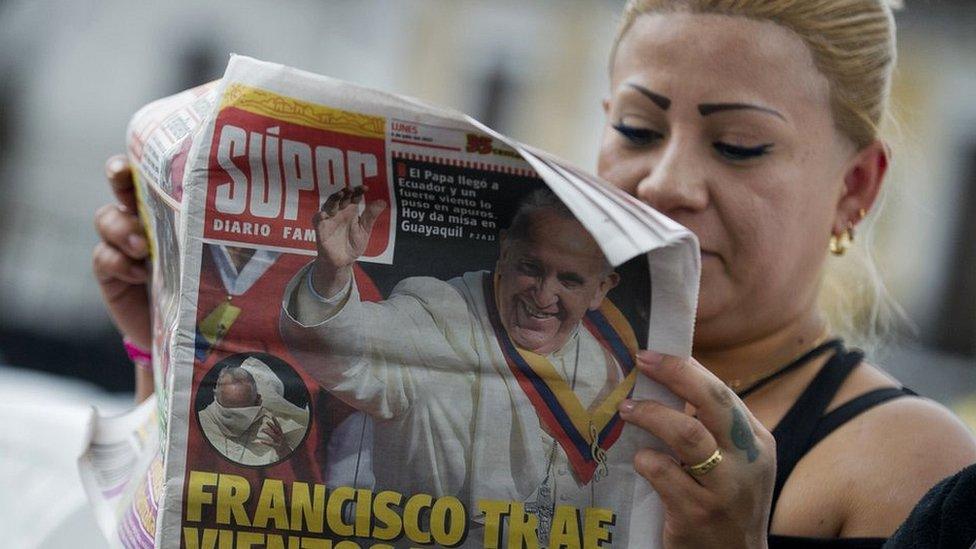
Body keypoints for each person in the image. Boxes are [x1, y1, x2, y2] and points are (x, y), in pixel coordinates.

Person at [93, 0, 976, 546]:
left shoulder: (899, 461)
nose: (666, 180)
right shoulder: (468, 320)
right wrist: (161, 338)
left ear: (854, 189)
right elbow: (341, 359)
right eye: (636, 128)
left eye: (738, 144)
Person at [281, 187, 646, 542]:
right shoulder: (436, 312)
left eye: (569, 280)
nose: (544, 295)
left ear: (601, 289)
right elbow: (344, 349)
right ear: (504, 251)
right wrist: (331, 275)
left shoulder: (610, 367)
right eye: (531, 268)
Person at [197, 361, 307, 466]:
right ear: (216, 397)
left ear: (258, 401)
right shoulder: (198, 422)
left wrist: (283, 450)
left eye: (241, 413)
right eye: (226, 412)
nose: (232, 421)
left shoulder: (275, 431)